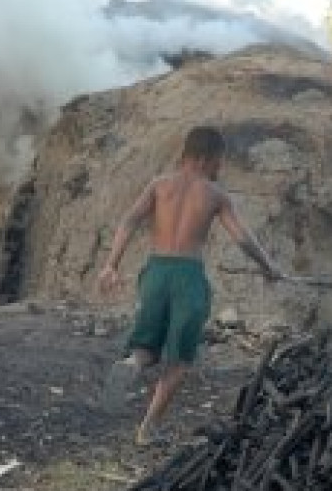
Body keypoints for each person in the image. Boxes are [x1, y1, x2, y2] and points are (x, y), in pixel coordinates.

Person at [98, 126, 285, 445]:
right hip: (188, 276)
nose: (220, 168)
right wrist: (269, 267)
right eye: (219, 161)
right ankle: (148, 429)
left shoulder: (158, 185)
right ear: (206, 158)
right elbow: (241, 238)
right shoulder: (214, 194)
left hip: (155, 271)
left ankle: (132, 364)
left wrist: (111, 265)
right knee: (180, 359)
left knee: (146, 346)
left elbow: (129, 220)